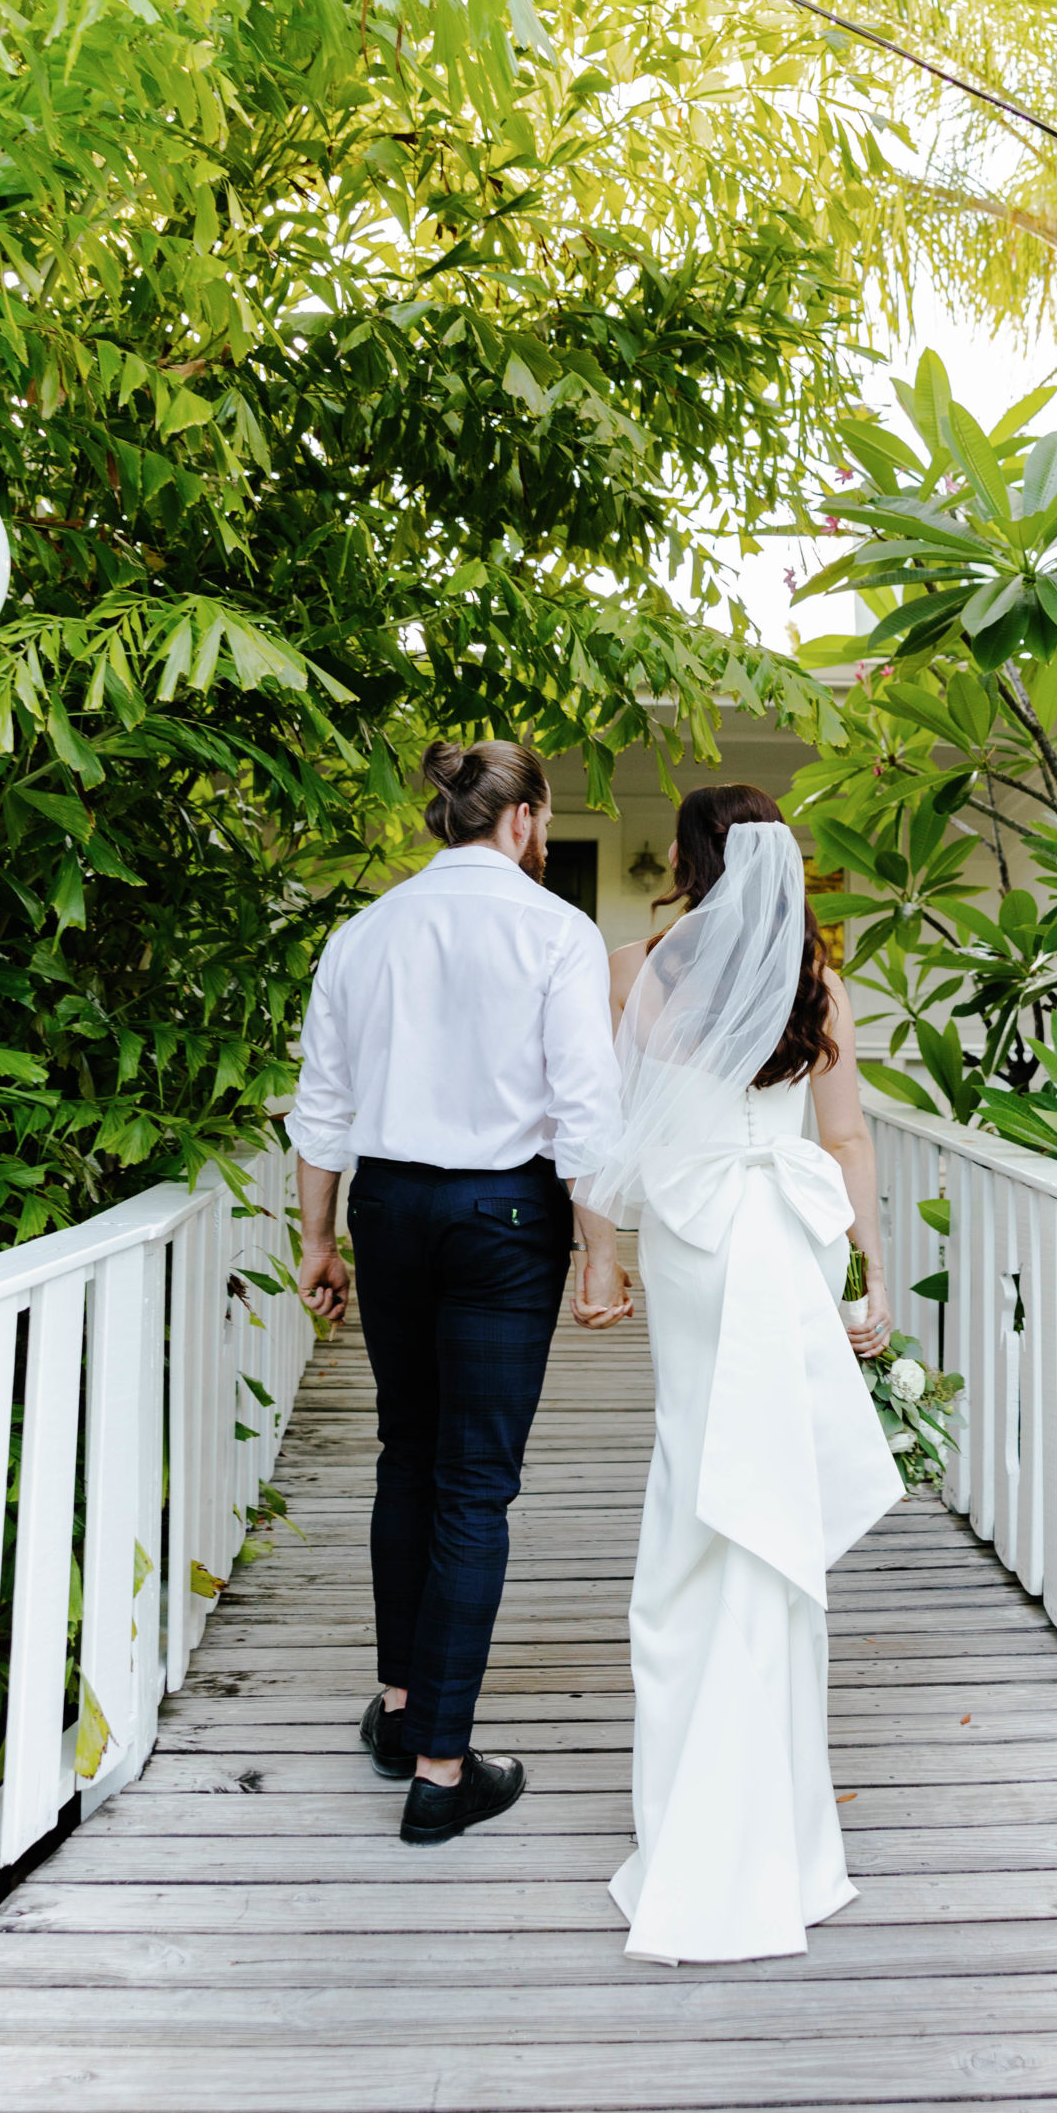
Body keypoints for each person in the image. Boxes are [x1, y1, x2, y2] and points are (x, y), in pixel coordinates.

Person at [577, 784, 904, 1962]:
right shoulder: (817, 980)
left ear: (686, 858)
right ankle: (785, 1838)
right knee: (775, 1495)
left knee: (693, 1496)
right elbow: (849, 1134)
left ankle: (689, 1824)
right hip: (789, 1239)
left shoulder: (639, 969)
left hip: (699, 1242)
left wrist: (596, 1257)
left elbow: (608, 1128)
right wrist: (870, 1269)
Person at [288, 740, 631, 1848]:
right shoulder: (554, 932)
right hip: (503, 1217)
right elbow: (583, 1109)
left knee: (407, 1453)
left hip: (385, 1211)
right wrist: (599, 1250)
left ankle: (398, 1711)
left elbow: (322, 1104)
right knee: (473, 1485)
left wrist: (315, 1240)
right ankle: (439, 1768)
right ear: (525, 817)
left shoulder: (364, 933)